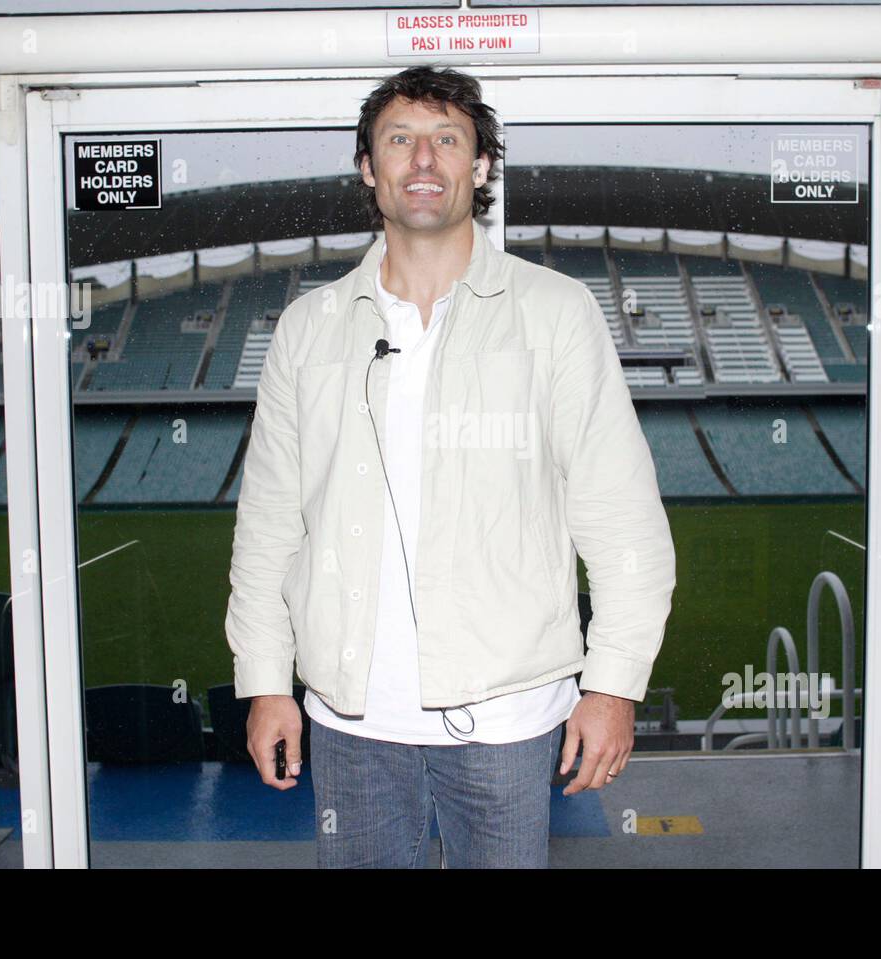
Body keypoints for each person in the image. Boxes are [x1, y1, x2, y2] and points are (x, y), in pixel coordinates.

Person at [224, 65, 675, 868]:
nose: (423, 159)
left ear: (481, 166)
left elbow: (622, 519)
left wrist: (613, 685)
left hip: (507, 723)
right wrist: (265, 681)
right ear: (369, 168)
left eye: (447, 140)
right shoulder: (307, 330)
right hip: (350, 725)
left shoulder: (557, 314)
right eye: (399, 139)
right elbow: (267, 529)